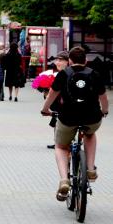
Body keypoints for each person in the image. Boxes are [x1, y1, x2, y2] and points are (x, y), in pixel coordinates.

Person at [41, 46, 109, 201]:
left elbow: (52, 95)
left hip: (67, 118)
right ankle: (91, 169)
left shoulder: (64, 74)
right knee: (90, 134)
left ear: (69, 61)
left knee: (60, 146)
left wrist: (45, 109)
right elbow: (104, 98)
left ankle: (64, 180)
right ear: (86, 60)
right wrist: (104, 111)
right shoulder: (94, 74)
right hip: (92, 117)